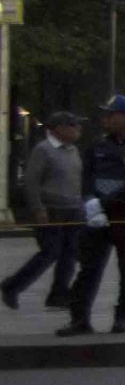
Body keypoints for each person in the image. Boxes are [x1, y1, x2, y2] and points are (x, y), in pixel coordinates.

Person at [58, 96, 125, 337]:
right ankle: (79, 319)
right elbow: (87, 178)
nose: (106, 118)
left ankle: (123, 317)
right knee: (88, 269)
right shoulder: (97, 146)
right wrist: (90, 201)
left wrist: (105, 200)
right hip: (96, 216)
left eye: (111, 114)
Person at [4, 111, 86, 312]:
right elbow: (31, 181)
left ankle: (58, 294)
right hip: (51, 210)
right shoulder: (44, 150)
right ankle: (12, 285)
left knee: (70, 254)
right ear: (59, 129)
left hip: (73, 209)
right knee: (50, 252)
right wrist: (38, 208)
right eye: (74, 125)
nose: (78, 130)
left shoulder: (73, 150)